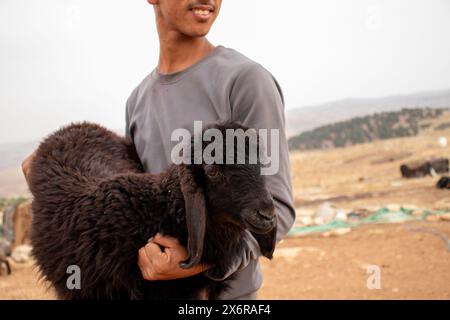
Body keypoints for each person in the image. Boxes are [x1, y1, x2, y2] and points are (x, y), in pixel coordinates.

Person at [22, 0, 295, 300]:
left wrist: (195, 264)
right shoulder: (138, 100)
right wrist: (50, 179)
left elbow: (277, 207)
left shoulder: (245, 81)